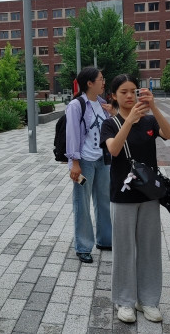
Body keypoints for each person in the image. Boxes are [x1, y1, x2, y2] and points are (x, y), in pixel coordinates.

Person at [100, 74, 170, 323]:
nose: (130, 96)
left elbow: (169, 133)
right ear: (114, 95)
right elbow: (113, 150)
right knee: (124, 249)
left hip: (149, 194)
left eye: (133, 91)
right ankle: (124, 301)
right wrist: (129, 121)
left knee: (150, 248)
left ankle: (148, 300)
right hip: (122, 195)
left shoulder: (149, 120)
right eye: (124, 92)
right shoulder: (110, 123)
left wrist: (154, 107)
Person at [65, 66, 113, 263]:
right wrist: (74, 162)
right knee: (82, 203)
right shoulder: (76, 105)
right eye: (101, 79)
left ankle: (105, 239)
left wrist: (114, 112)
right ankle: (83, 246)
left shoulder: (102, 104)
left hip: (103, 160)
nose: (103, 82)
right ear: (89, 83)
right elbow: (72, 135)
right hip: (84, 162)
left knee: (104, 199)